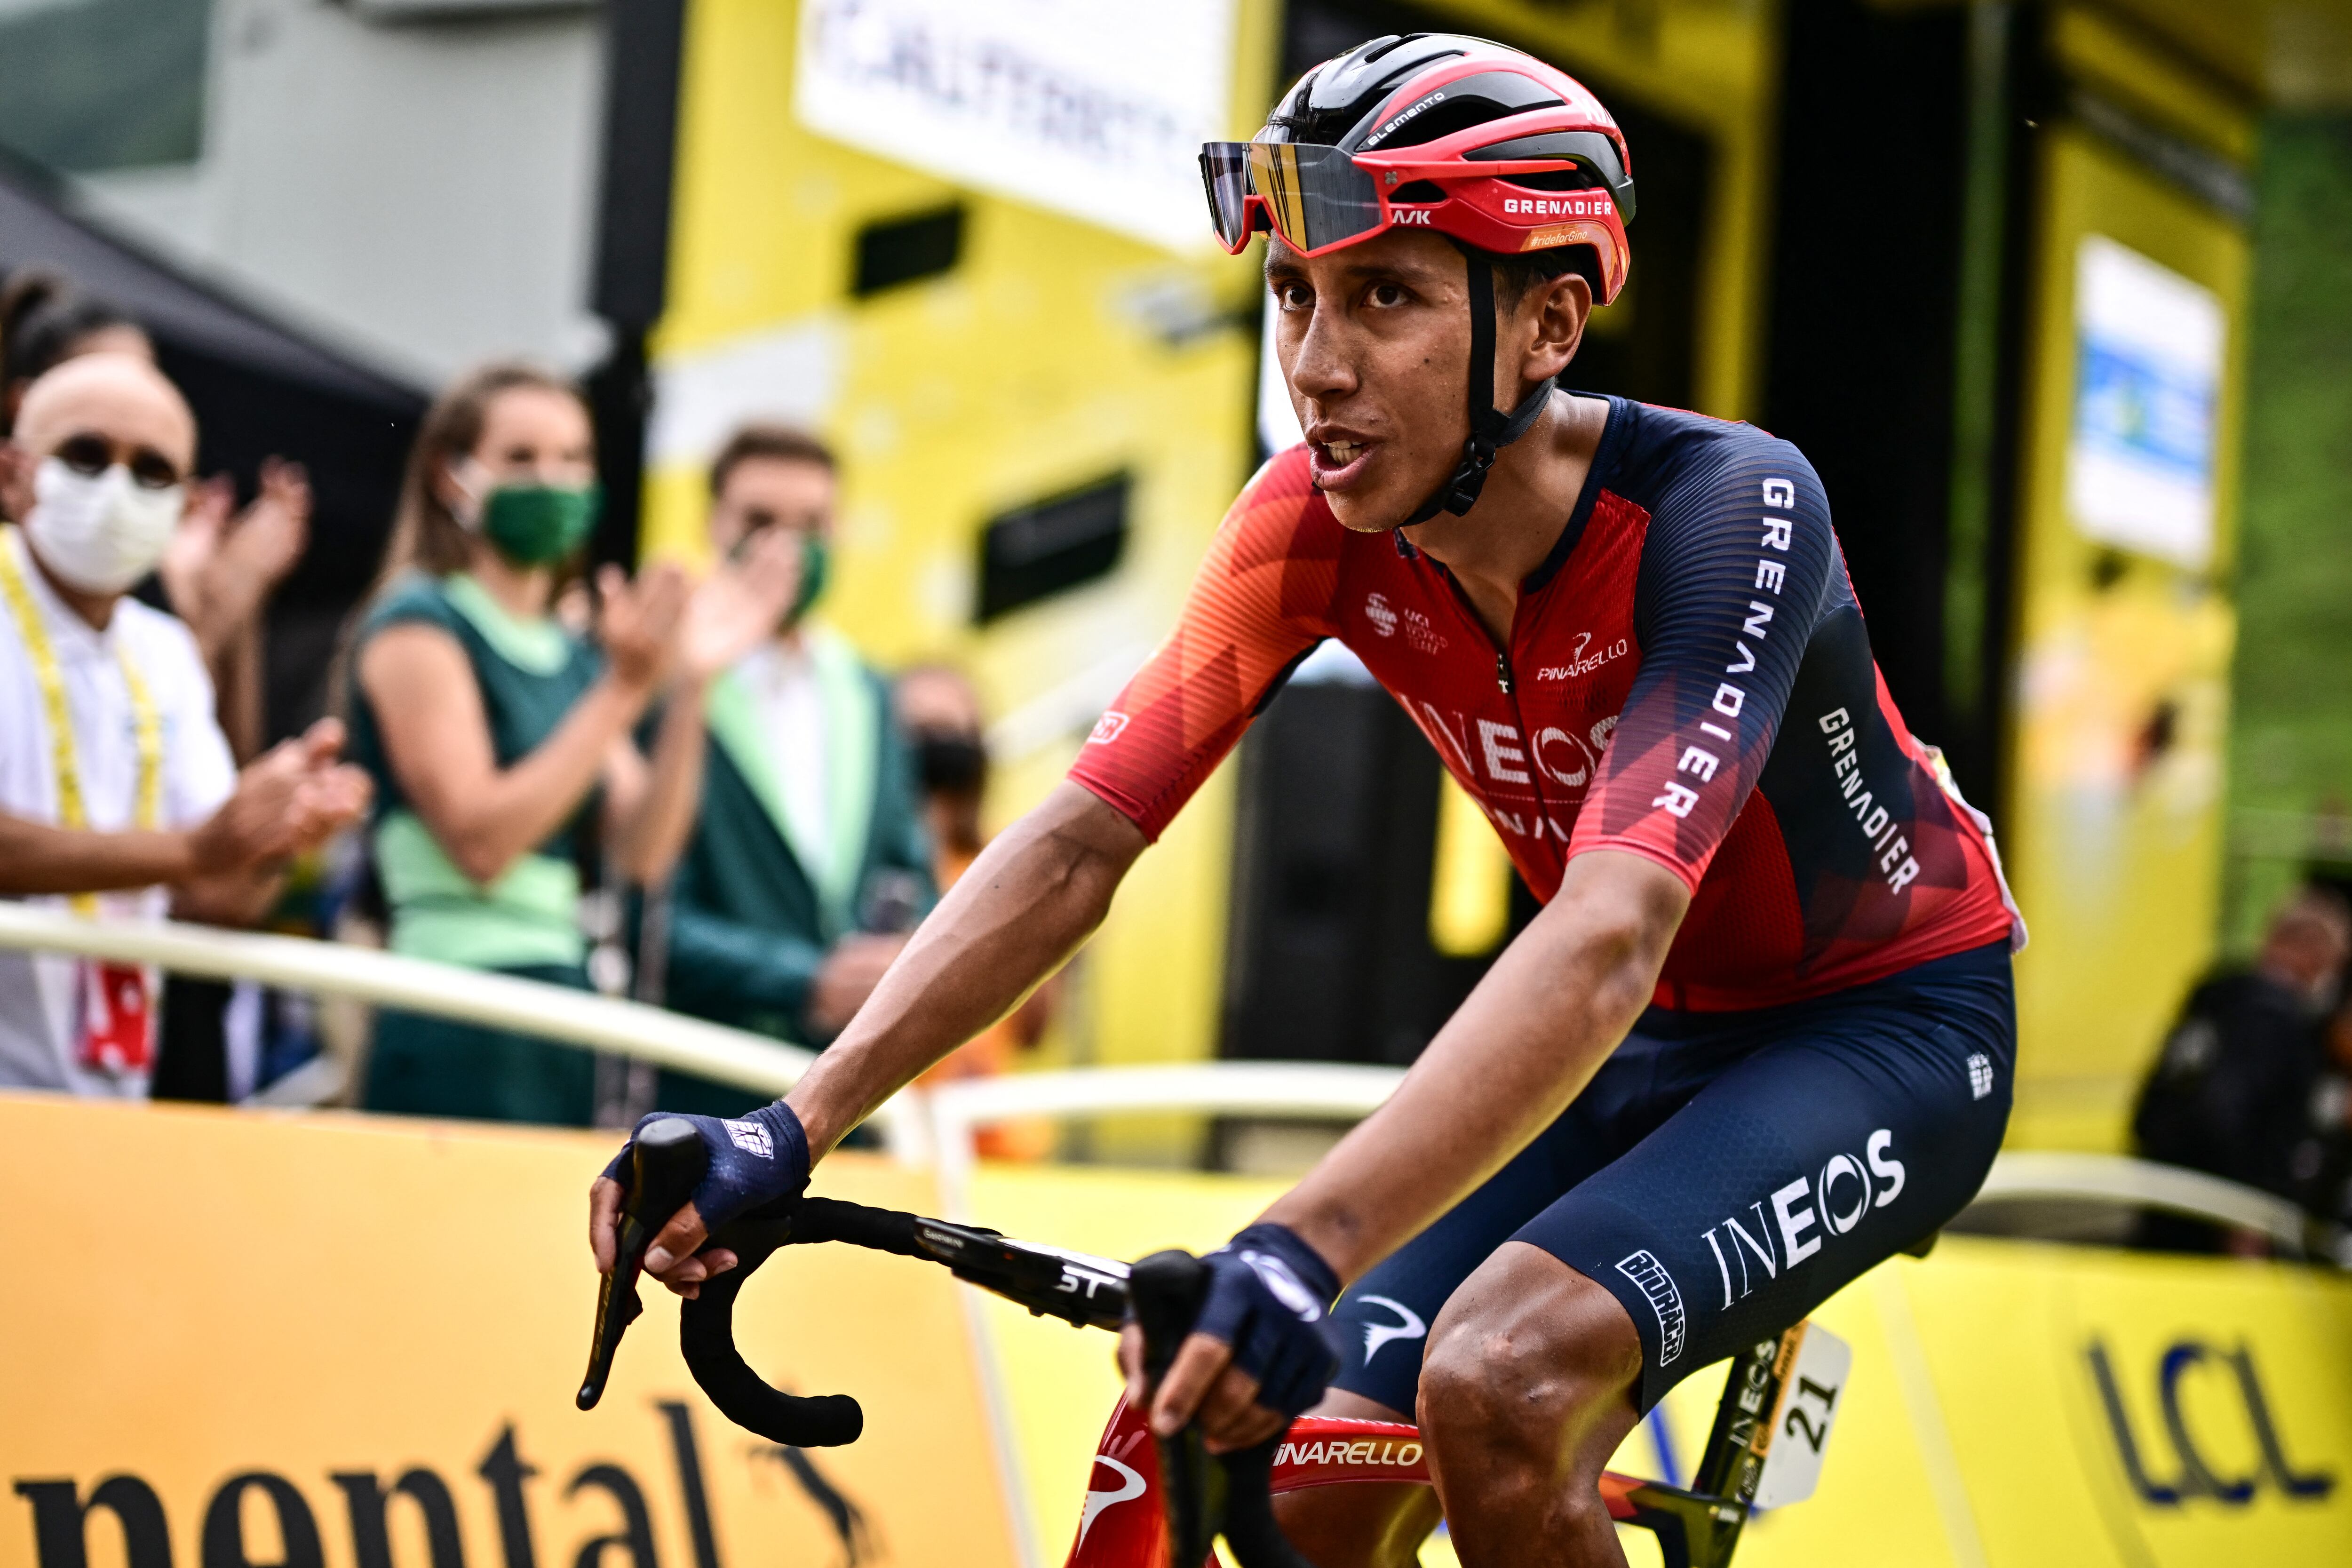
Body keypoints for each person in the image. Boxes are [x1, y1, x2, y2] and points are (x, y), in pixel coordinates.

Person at [590, 35, 2024, 1566]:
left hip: (1884, 1030)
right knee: (1289, 1478)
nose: (1318, 365)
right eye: (1294, 295)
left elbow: (1612, 925)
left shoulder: (1727, 509)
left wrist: (1293, 1249)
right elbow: (1082, 839)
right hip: (1641, 1036)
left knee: (1501, 1381)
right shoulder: (1312, 526)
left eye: (1385, 297)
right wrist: (793, 1126)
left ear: (1546, 323)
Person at [346, 365, 794, 1126]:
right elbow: (480, 841)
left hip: (566, 1011)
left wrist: (692, 685)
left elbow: (643, 851)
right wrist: (622, 691)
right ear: (452, 476)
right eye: (520, 458)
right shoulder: (417, 622)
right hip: (453, 1001)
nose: (551, 480)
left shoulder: (574, 652)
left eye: (572, 459)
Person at [0, 353, 368, 1095]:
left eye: (153, 471)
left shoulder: (161, 651)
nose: (118, 487)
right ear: (14, 474)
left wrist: (274, 842)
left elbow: (217, 899)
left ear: (183, 502)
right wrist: (197, 847)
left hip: (101, 1108)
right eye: (86, 454)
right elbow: (189, 854)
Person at [648, 424, 934, 1117]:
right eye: (760, 520)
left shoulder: (869, 692)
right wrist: (802, 979)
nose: (786, 547)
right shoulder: (658, 682)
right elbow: (646, 907)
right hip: (699, 1087)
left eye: (812, 523)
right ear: (713, 524)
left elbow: (908, 868)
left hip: (849, 1094)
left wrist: (899, 957)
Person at [3, 267, 310, 762]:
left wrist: (237, 604)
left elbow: (214, 786)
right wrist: (206, 625)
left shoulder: (145, 593)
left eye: (143, 382)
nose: (128, 407)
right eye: (88, 453)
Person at [898, 662, 1057, 1159]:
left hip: (993, 1145)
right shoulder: (863, 866)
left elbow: (1035, 1027)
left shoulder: (1004, 859)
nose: (946, 746)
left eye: (961, 731)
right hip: (890, 1135)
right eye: (926, 731)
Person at [2132, 885, 2350, 1230]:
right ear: (2313, 953)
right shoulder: (2272, 1018)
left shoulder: (2218, 995)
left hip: (2165, 1192)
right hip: (2221, 1216)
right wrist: (2247, 1217)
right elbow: (2224, 1114)